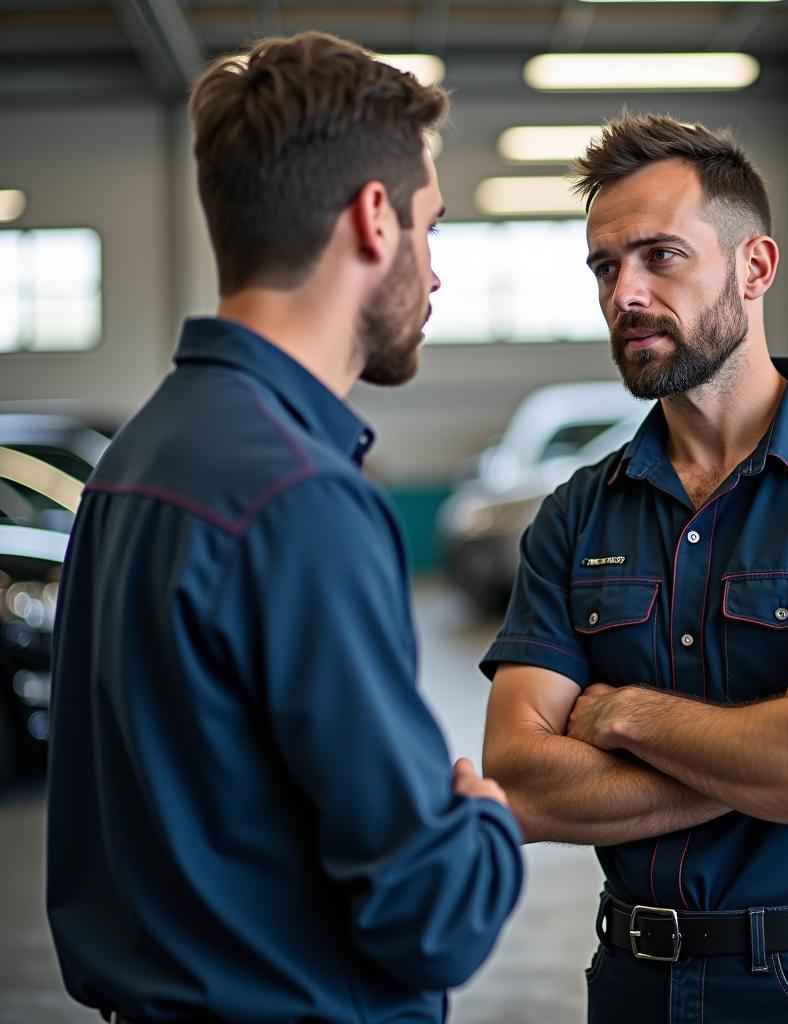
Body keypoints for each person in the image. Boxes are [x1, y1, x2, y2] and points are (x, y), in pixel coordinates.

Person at [46, 32, 522, 1024]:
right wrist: (483, 824)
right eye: (430, 228)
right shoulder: (298, 497)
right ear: (372, 218)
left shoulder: (133, 461)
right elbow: (432, 914)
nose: (434, 276)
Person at [481, 113, 788, 1023]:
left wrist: (624, 714)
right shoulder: (578, 511)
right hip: (629, 984)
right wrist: (779, 742)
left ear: (755, 267)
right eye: (604, 266)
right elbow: (520, 782)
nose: (625, 292)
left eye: (661, 257)